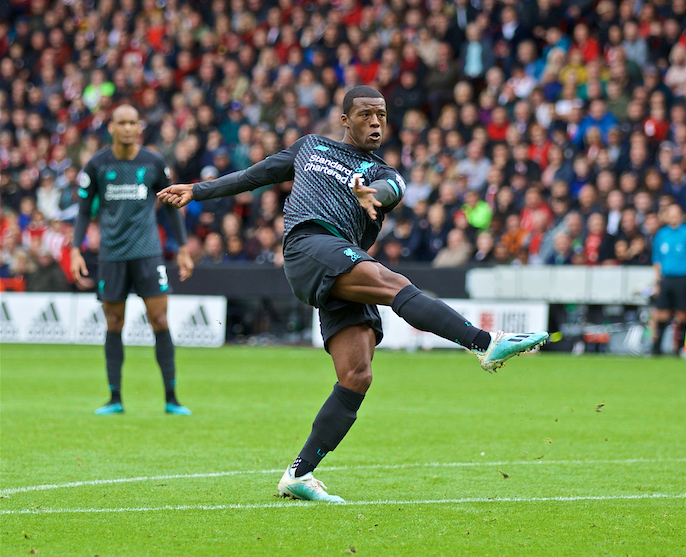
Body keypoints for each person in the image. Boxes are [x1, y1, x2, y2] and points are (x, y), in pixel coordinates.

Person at [158, 86, 548, 502]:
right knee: (394, 284)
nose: (376, 122)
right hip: (309, 246)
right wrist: (197, 190)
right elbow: (256, 175)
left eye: (381, 115)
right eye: (365, 115)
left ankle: (298, 474)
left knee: (357, 375)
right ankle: (485, 344)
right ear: (345, 119)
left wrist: (371, 195)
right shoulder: (310, 147)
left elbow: (390, 192)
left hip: (343, 261)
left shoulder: (385, 173)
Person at [70, 105, 195, 416]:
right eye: (121, 123)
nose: (127, 128)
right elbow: (84, 211)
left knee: (160, 320)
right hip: (111, 254)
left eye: (132, 123)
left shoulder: (152, 162)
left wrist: (181, 248)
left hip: (148, 252)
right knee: (114, 322)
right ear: (111, 127)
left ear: (139, 127)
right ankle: (115, 398)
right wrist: (75, 248)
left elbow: (169, 206)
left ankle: (172, 398)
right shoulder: (97, 164)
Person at [649, 202, 686, 355]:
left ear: (681, 215)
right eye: (670, 214)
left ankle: (679, 348)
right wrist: (657, 282)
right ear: (666, 216)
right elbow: (657, 260)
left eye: (676, 214)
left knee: (682, 313)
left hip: (682, 278)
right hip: (666, 279)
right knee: (661, 313)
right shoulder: (661, 234)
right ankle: (656, 348)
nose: (673, 217)